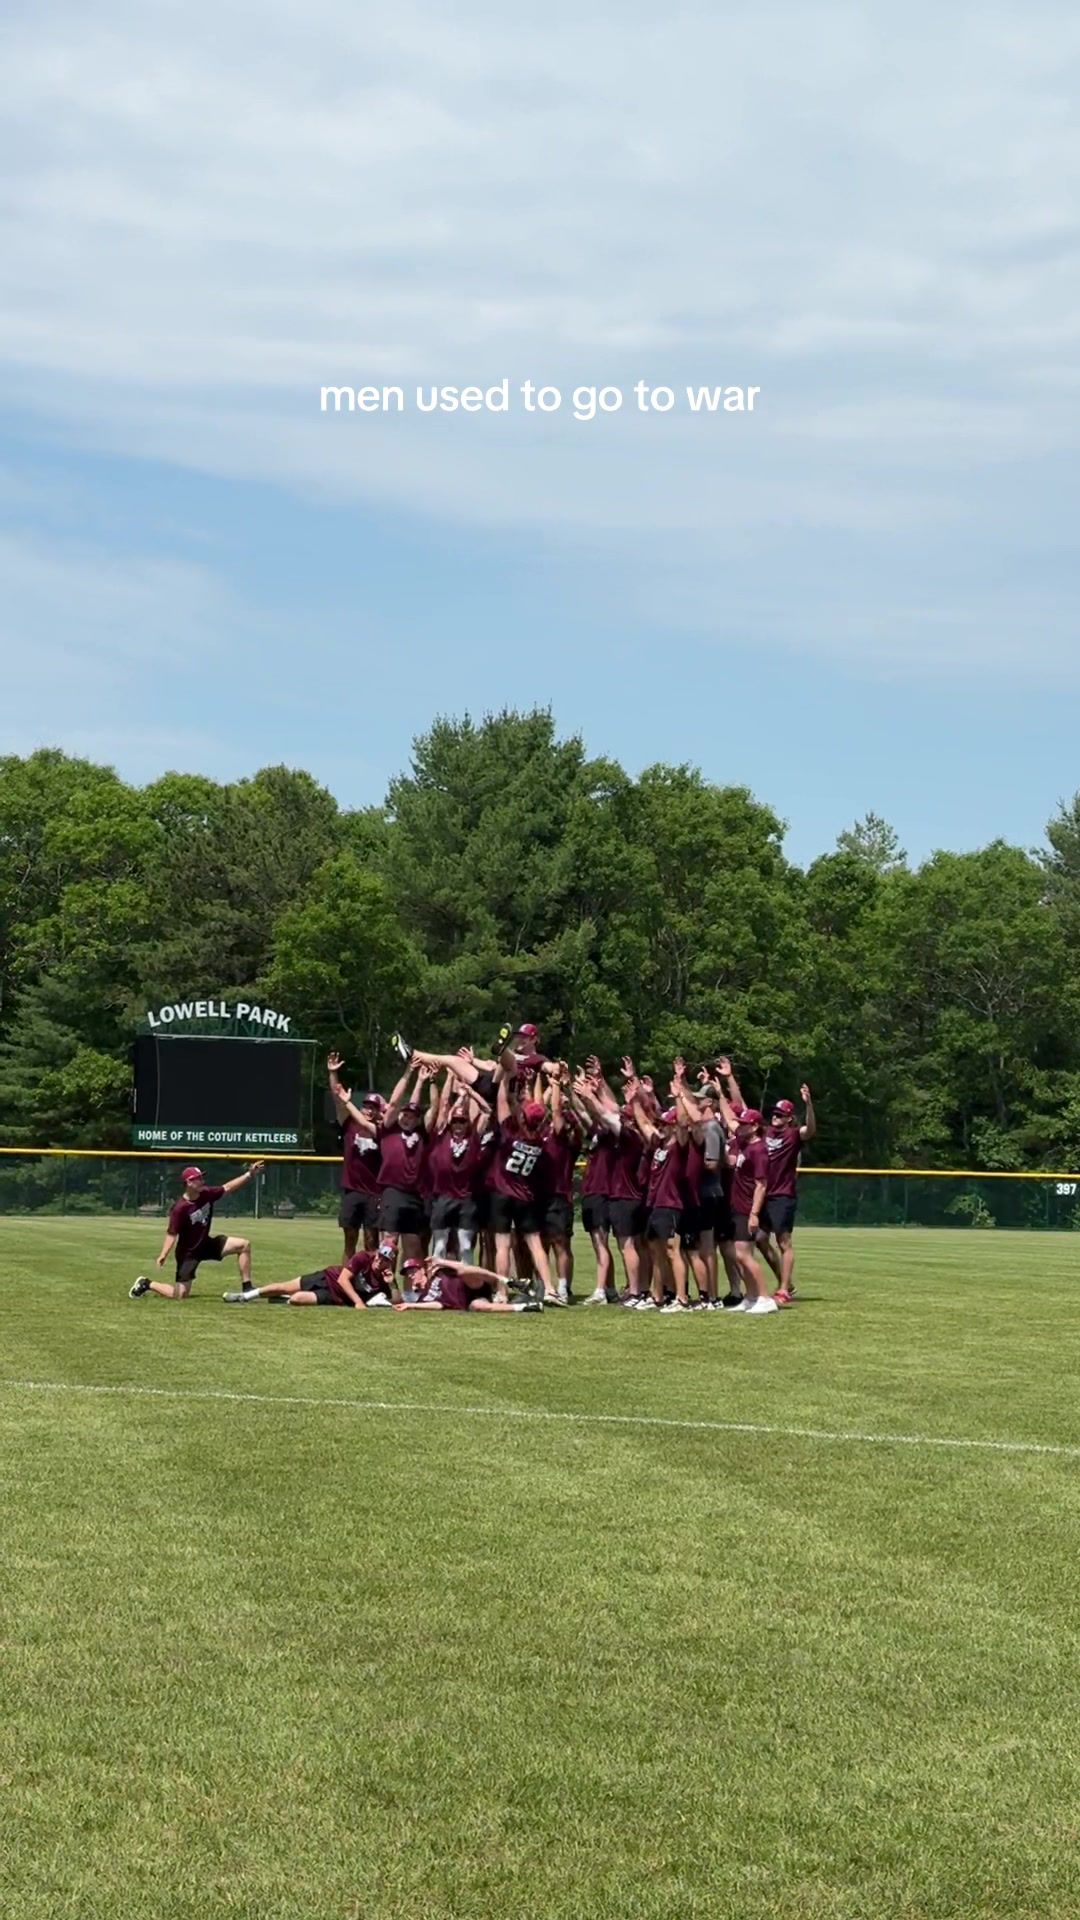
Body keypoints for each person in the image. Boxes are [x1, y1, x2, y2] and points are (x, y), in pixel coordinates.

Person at [130, 1161, 265, 1300]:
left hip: (206, 1244)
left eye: (201, 1178)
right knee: (180, 1295)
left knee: (243, 1245)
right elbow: (172, 1233)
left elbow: (227, 1187)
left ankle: (247, 1287)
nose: (202, 1181)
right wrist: (163, 1254)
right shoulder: (180, 1208)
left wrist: (249, 1174)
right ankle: (146, 1283)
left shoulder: (206, 1193)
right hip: (188, 1253)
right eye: (198, 1178)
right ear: (189, 1182)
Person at [488, 1076, 561, 1305]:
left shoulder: (510, 1131)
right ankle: (549, 1288)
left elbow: (501, 1102)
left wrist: (502, 1078)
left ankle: (501, 1291)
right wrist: (528, 1089)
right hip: (524, 1196)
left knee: (502, 1246)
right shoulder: (538, 1139)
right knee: (535, 1244)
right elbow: (537, 1111)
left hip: (502, 1193)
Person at [375, 1062, 434, 1267]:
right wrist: (409, 1073)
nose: (407, 1118)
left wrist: (421, 1081)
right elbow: (393, 1103)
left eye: (412, 1116)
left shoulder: (420, 1133)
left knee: (413, 1246)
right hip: (393, 1191)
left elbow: (415, 1105)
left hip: (414, 1195)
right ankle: (384, 1288)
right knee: (388, 1244)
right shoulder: (389, 1129)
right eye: (405, 1114)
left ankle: (411, 1293)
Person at [761, 1084, 816, 1302]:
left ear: (789, 1118)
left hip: (783, 1195)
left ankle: (783, 1289)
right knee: (759, 1239)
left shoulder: (793, 1135)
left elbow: (810, 1130)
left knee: (784, 1242)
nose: (776, 1117)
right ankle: (787, 1283)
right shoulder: (765, 1132)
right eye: (774, 1113)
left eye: (780, 1115)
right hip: (764, 1195)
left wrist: (809, 1104)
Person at [327, 1051, 383, 1257]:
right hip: (353, 1190)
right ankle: (345, 1281)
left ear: (379, 1111)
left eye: (373, 1107)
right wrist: (333, 1073)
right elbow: (338, 1098)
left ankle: (371, 1283)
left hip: (374, 1192)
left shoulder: (382, 1132)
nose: (368, 1109)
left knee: (371, 1241)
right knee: (349, 1239)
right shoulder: (350, 1124)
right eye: (366, 1105)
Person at [725, 1111, 778, 1315]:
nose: (741, 1126)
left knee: (744, 1255)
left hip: (748, 1208)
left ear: (755, 1127)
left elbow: (761, 1185)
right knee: (739, 1256)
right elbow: (730, 1120)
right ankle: (751, 1296)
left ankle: (765, 1298)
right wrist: (720, 1091)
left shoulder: (759, 1150)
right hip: (738, 1206)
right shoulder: (744, 1143)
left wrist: (754, 1214)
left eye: (746, 1124)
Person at [426, 1092, 488, 1262]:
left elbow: (487, 1111)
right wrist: (460, 1098)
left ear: (468, 1123)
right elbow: (444, 1108)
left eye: (462, 1121)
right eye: (455, 1121)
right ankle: (437, 1281)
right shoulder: (442, 1137)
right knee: (439, 1245)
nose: (458, 1125)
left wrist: (472, 1091)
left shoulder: (473, 1138)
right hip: (443, 1197)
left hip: (466, 1198)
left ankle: (466, 1283)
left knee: (466, 1246)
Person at [225, 1248, 397, 1307]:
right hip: (327, 1278)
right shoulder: (363, 1257)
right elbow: (343, 1280)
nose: (379, 1260)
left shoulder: (383, 1279)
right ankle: (245, 1296)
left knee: (297, 1300)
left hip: (335, 1297)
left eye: (385, 1260)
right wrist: (358, 1302)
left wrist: (393, 1283)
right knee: (284, 1286)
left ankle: (283, 1299)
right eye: (380, 1256)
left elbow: (396, 1301)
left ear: (389, 1263)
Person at [539, 1062, 580, 1303]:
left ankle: (564, 1287)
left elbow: (555, 1113)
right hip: (539, 1194)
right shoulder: (541, 1128)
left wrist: (556, 1084)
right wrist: (549, 1079)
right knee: (541, 1243)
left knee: (560, 1243)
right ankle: (545, 1285)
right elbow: (540, 1106)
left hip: (559, 1194)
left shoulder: (568, 1128)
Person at [394, 1254, 543, 1312]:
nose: (411, 1275)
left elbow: (463, 1266)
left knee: (464, 1271)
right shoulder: (423, 1297)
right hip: (467, 1301)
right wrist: (410, 1304)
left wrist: (441, 1261)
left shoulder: (439, 1272)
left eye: (413, 1271)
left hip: (471, 1284)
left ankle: (508, 1281)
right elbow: (439, 1305)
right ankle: (526, 1307)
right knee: (478, 1307)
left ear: (422, 1269)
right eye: (408, 1274)